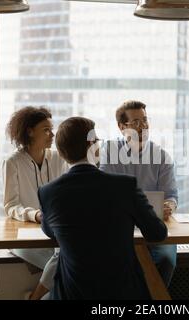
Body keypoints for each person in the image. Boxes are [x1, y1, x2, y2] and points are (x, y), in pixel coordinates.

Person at [38, 116, 167, 299]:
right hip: (122, 293)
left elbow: (50, 232)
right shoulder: (125, 186)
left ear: (61, 152)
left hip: (72, 293)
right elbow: (157, 234)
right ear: (93, 146)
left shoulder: (47, 193)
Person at [99, 100, 178, 287]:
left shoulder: (162, 156)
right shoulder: (109, 151)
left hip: (154, 224)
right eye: (135, 122)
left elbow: (171, 195)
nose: (142, 126)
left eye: (145, 120)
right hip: (119, 226)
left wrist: (169, 206)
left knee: (166, 260)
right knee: (117, 263)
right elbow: (104, 193)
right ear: (121, 127)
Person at [2, 106, 67, 300]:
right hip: (26, 237)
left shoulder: (58, 158)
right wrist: (35, 215)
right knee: (67, 265)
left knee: (67, 262)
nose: (52, 134)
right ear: (30, 132)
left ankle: (34, 298)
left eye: (52, 129)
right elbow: (10, 205)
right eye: (46, 130)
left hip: (56, 233)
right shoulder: (13, 162)